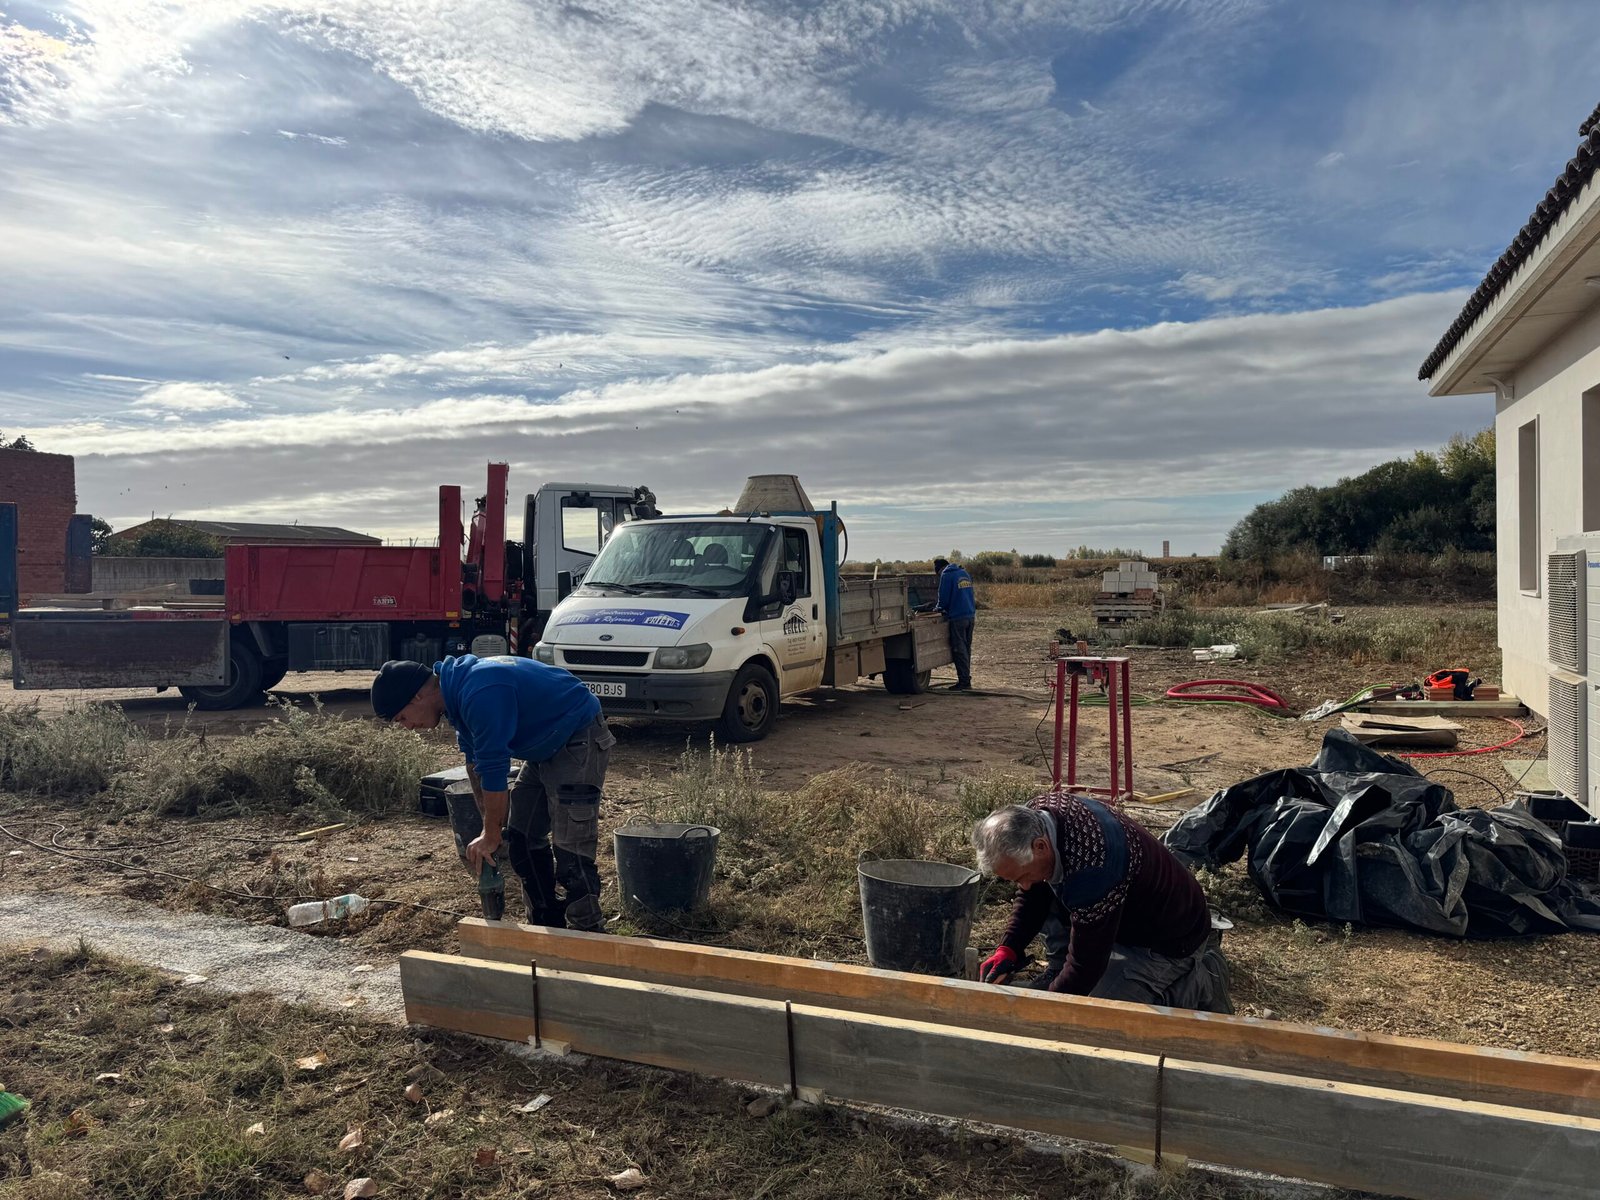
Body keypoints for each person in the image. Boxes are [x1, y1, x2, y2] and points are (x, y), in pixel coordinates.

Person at [371, 654, 615, 931]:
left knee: (571, 846)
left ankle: (588, 932)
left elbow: (495, 769)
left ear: (417, 696)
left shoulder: (479, 690)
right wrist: (490, 828)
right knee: (521, 837)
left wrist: (491, 832)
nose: (408, 727)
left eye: (402, 717)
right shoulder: (455, 694)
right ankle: (547, 923)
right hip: (543, 743)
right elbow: (475, 763)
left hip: (577, 733)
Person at [970, 797, 1232, 1012]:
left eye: (1022, 876)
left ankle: (1199, 979)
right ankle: (1059, 972)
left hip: (1171, 938)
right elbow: (1032, 895)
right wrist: (1009, 948)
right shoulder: (1034, 820)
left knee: (1102, 1013)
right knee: (1044, 888)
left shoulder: (1093, 868)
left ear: (1040, 846)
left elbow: (1087, 966)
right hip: (1117, 912)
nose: (1023, 885)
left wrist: (1051, 1006)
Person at [932, 556, 976, 690]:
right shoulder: (963, 573)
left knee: (959, 649)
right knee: (966, 648)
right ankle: (966, 678)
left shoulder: (946, 575)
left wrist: (937, 608)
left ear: (939, 569)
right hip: (970, 615)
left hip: (957, 618)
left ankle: (964, 682)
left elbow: (943, 598)